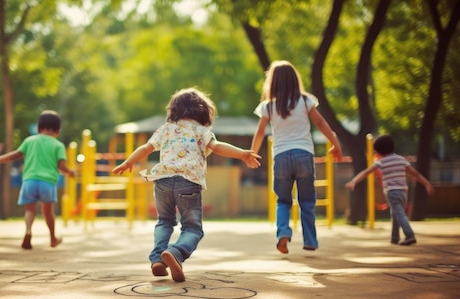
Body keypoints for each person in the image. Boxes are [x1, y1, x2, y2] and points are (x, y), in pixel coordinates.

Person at [112, 87, 261, 282]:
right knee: (192, 229)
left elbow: (147, 147)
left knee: (164, 221)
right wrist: (242, 153)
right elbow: (217, 148)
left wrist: (128, 162)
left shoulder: (166, 128)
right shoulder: (201, 130)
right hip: (188, 183)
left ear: (174, 109)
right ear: (203, 111)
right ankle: (176, 252)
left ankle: (158, 259)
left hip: (162, 182)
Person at [250, 60, 343, 254]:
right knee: (307, 201)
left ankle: (283, 233)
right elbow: (321, 122)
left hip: (282, 157)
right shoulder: (305, 100)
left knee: (283, 200)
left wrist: (252, 153)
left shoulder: (268, 106)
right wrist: (336, 144)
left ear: (273, 82)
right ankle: (310, 240)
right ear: (295, 80)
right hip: (304, 155)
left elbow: (260, 133)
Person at [0, 110, 75, 250]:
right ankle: (52, 238)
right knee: (48, 212)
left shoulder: (30, 141)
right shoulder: (58, 145)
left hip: (29, 181)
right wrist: (70, 172)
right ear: (58, 131)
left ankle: (28, 231)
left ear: (39, 128)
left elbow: (16, 155)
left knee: (30, 210)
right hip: (47, 182)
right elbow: (61, 166)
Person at [345, 135, 434, 245]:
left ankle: (409, 235)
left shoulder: (381, 162)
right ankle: (394, 237)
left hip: (392, 192)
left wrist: (354, 181)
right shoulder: (401, 159)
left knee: (399, 214)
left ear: (377, 151)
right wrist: (427, 184)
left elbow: (366, 172)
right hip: (403, 192)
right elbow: (415, 174)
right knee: (395, 213)